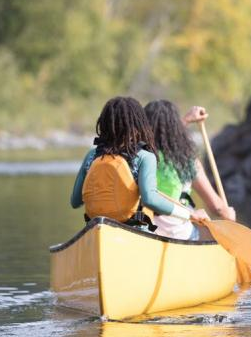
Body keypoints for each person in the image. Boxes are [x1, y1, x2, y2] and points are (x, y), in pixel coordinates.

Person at [70, 96, 209, 239]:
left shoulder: (92, 156)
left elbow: (75, 201)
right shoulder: (145, 157)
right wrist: (189, 214)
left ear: (104, 124)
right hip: (135, 233)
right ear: (138, 125)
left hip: (98, 230)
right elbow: (150, 199)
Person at [144, 100, 236, 240]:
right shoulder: (188, 160)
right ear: (176, 128)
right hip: (179, 232)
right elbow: (217, 207)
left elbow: (160, 132)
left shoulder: (139, 156)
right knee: (208, 230)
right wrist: (228, 215)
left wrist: (187, 119)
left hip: (145, 229)